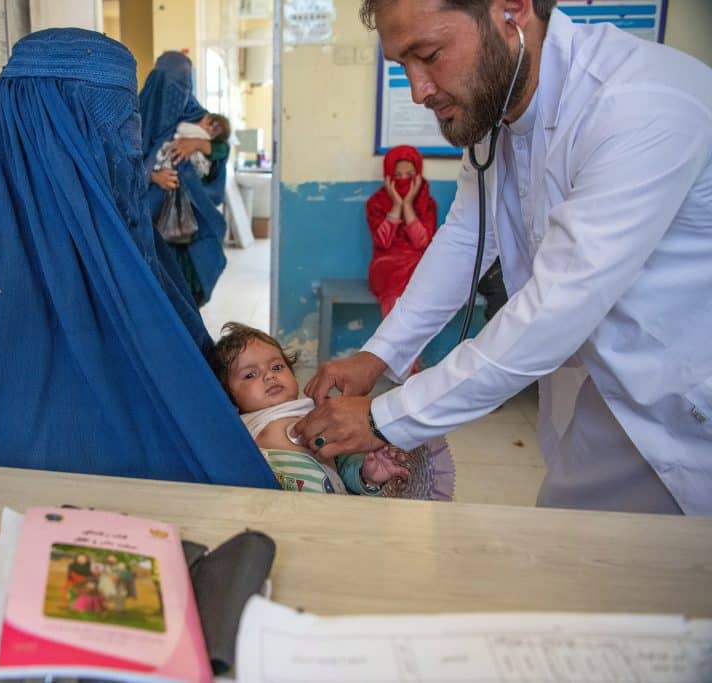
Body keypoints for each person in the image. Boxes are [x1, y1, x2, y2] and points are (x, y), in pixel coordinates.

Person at [296, 0, 712, 515]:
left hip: (686, 412)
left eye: (428, 54)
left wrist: (383, 418)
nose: (420, 89)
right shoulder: (497, 113)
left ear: (511, 9)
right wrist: (376, 355)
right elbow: (466, 237)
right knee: (580, 568)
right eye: (403, 66)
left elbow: (554, 308)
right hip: (601, 399)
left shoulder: (641, 103)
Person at [0, 29, 280, 489]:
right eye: (116, 130)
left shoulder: (116, 236)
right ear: (58, 139)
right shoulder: (5, 279)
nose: (131, 148)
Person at [210, 323, 454, 499]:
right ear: (228, 396)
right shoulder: (238, 426)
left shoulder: (319, 412)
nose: (269, 375)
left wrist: (367, 475)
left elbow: (345, 465)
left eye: (277, 366)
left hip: (333, 508)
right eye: (250, 374)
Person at [140, 51, 230, 306]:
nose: (179, 92)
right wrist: (153, 176)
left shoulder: (198, 116)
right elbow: (123, 167)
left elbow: (222, 150)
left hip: (193, 226)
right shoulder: (139, 117)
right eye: (172, 86)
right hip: (151, 221)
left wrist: (200, 144)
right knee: (155, 292)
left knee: (188, 294)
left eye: (184, 85)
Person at [365, 145, 438, 317]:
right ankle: (394, 339)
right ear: (388, 176)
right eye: (397, 175)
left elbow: (421, 243)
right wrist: (397, 205)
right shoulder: (375, 203)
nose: (403, 180)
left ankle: (411, 341)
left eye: (410, 175)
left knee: (424, 279)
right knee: (394, 284)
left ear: (418, 176)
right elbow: (383, 242)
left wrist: (408, 205)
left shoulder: (427, 204)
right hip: (386, 265)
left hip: (417, 263)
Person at [153, 113, 231, 181]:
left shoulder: (204, 136)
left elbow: (224, 149)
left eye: (214, 132)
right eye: (210, 123)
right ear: (206, 117)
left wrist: (197, 143)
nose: (209, 129)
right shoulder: (194, 116)